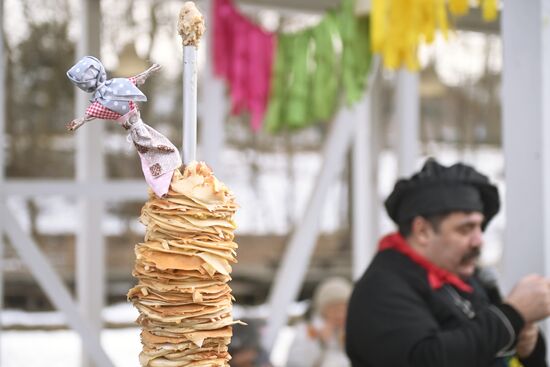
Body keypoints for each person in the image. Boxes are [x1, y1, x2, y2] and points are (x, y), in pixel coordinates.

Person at [346, 158, 550, 367]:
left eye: (480, 228)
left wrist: (528, 346)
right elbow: (426, 358)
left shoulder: (469, 280)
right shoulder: (381, 289)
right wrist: (511, 315)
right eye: (465, 229)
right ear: (422, 231)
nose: (479, 240)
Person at [286, 277, 352, 367]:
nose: (340, 314)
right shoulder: (308, 331)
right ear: (323, 310)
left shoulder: (354, 331)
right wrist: (319, 343)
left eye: (343, 308)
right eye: (334, 308)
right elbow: (294, 363)